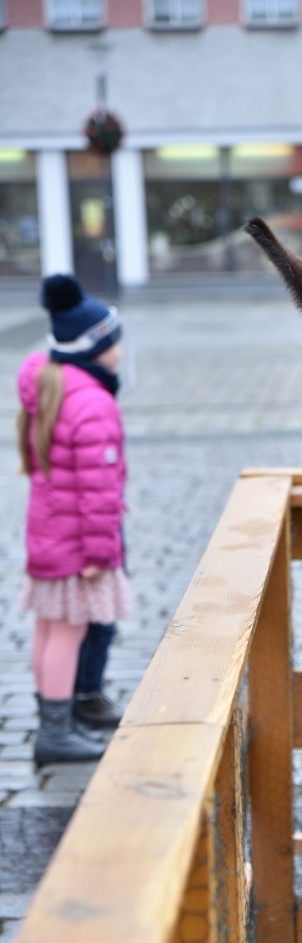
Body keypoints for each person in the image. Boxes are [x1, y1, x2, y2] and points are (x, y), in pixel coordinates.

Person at [17, 274, 130, 765]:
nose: (120, 352)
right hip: (76, 545)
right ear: (93, 349)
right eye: (114, 343)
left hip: (48, 536)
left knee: (48, 628)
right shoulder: (92, 403)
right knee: (68, 631)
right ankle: (56, 731)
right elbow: (99, 492)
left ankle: (52, 718)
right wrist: (100, 555)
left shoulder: (48, 386)